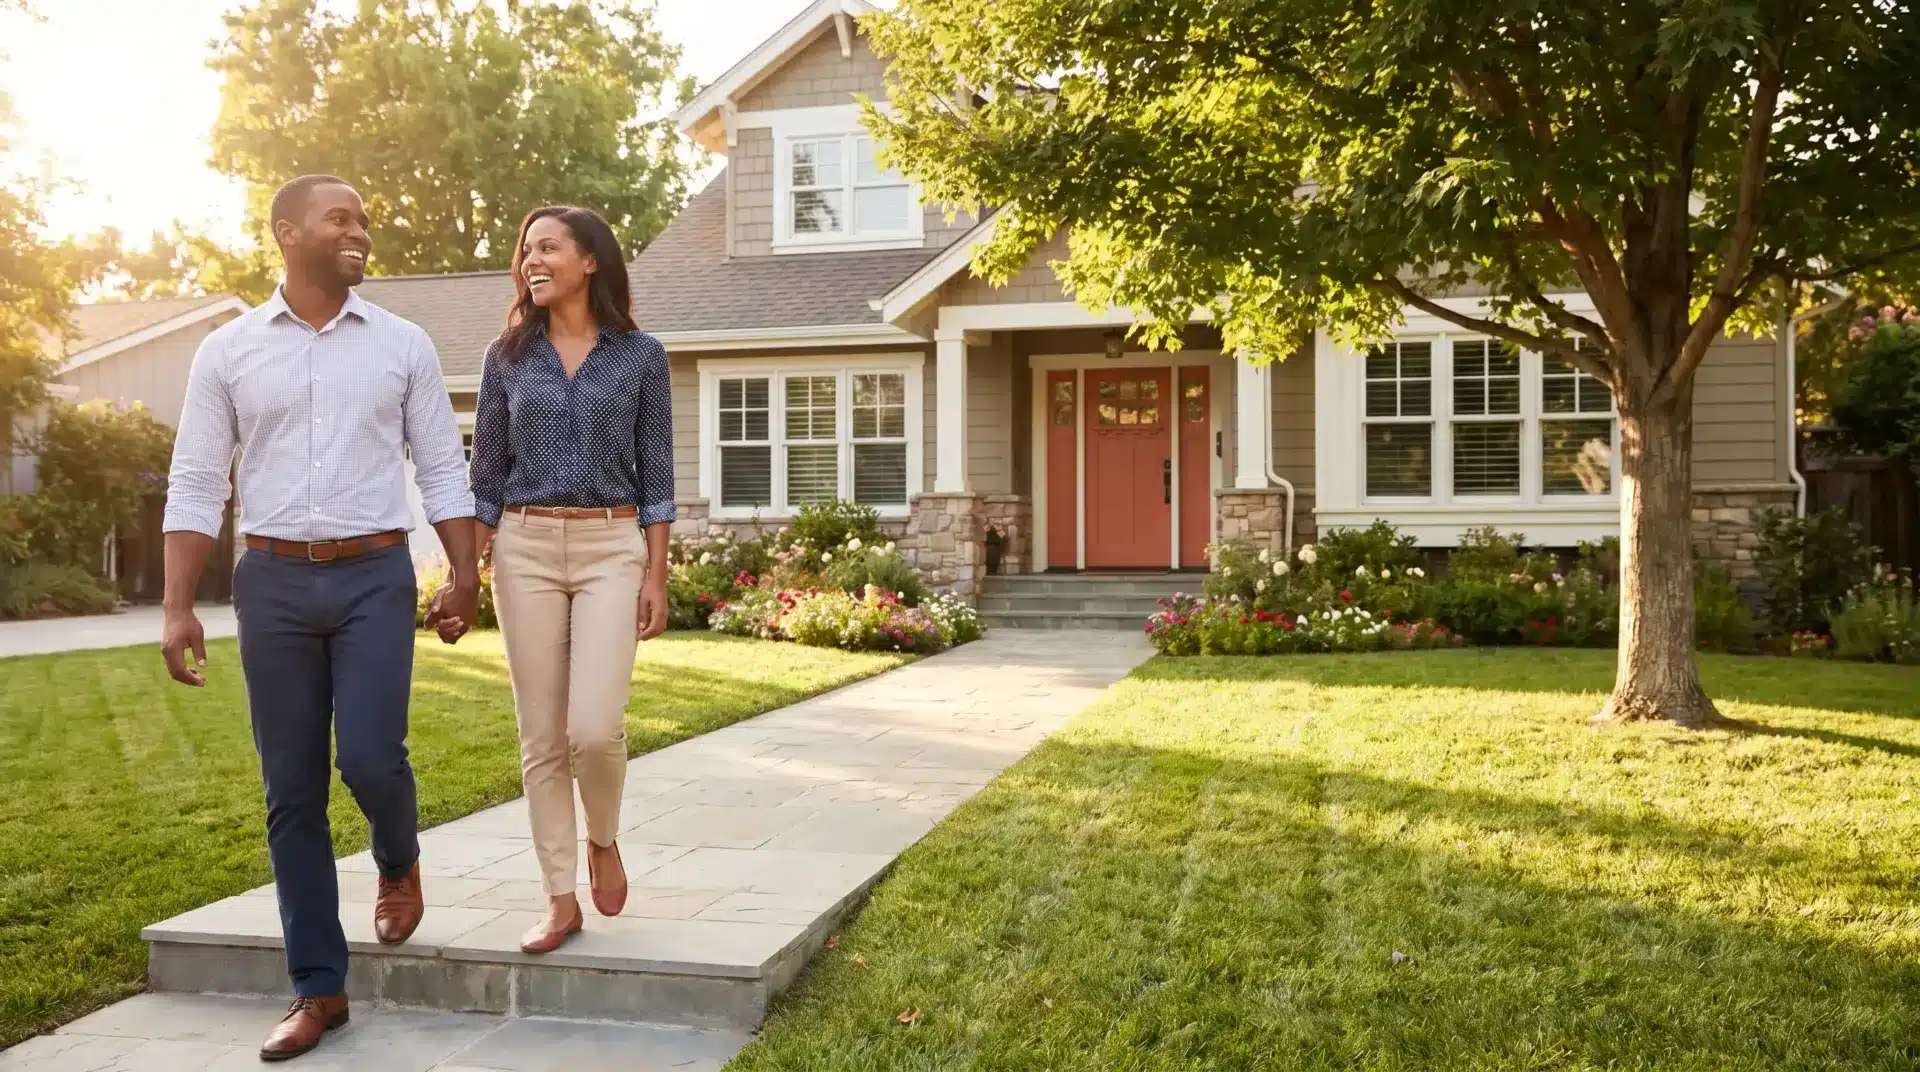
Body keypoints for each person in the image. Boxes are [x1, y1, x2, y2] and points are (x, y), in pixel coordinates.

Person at [159, 175, 482, 1062]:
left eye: (366, 221)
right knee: (291, 790)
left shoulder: (402, 344)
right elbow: (195, 480)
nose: (361, 233)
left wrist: (462, 571)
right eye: (342, 219)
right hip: (271, 582)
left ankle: (396, 855)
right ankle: (318, 989)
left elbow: (443, 469)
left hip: (375, 572)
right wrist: (179, 603)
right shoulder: (226, 353)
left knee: (372, 757)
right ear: (287, 231)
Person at [467, 205, 673, 954]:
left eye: (548, 247)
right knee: (542, 737)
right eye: (526, 250)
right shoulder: (507, 356)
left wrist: (658, 572)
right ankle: (559, 898)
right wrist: (466, 568)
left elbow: (658, 475)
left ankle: (604, 838)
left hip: (611, 543)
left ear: (591, 260)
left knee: (593, 729)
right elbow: (485, 472)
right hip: (522, 546)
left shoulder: (642, 355)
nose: (532, 260)